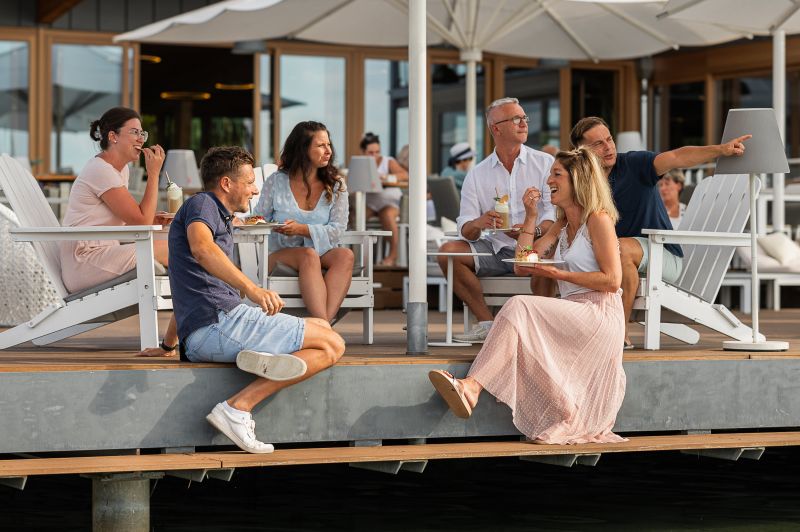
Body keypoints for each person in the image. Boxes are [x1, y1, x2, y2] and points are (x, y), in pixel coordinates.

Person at [429, 147, 626, 444]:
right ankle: (565, 408)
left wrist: (559, 275)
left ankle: (472, 387)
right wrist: (532, 216)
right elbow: (523, 265)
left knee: (519, 306)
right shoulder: (562, 224)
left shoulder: (598, 219)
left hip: (600, 315)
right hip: (573, 310)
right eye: (551, 174)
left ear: (579, 180)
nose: (548, 180)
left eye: (557, 174)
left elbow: (612, 280)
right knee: (522, 335)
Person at [168, 146, 345, 453]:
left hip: (207, 329)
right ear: (226, 183)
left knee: (320, 325)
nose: (254, 188)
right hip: (219, 324)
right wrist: (252, 289)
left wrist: (168, 344)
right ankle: (238, 407)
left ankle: (272, 359)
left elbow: (190, 284)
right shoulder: (203, 204)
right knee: (333, 344)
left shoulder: (216, 215)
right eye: (249, 181)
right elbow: (201, 249)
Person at [570, 116, 749, 349]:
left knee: (619, 249)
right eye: (598, 144)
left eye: (609, 139)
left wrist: (721, 150)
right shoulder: (583, 182)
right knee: (602, 257)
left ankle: (618, 333)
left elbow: (677, 157)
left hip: (663, 255)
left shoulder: (634, 164)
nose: (608, 147)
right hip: (621, 260)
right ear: (581, 151)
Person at [437, 97, 556, 343]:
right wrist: (480, 222)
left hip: (535, 246)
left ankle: (538, 326)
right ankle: (486, 323)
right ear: (496, 128)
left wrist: (530, 231)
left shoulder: (545, 163)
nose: (523, 123)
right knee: (448, 253)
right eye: (516, 119)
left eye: (524, 118)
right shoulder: (478, 174)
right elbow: (465, 227)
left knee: (547, 255)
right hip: (496, 248)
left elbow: (553, 214)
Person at [60, 106, 170, 293]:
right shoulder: (101, 170)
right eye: (134, 132)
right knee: (177, 246)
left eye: (142, 133)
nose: (141, 139)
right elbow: (140, 221)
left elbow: (129, 221)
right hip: (85, 260)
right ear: (113, 137)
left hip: (103, 252)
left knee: (176, 241)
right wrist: (153, 174)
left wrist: (151, 219)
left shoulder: (120, 170)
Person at [253, 121, 353, 322]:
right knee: (308, 255)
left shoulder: (335, 184)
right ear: (303, 149)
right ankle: (324, 327)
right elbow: (259, 218)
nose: (328, 151)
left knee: (345, 255)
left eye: (329, 145)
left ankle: (322, 324)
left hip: (321, 251)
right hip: (279, 254)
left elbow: (337, 230)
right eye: (320, 145)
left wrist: (302, 229)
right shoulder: (276, 181)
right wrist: (244, 222)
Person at [360, 132, 409, 266]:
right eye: (371, 152)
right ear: (363, 152)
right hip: (370, 202)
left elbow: (405, 175)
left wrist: (387, 177)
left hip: (389, 201)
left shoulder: (388, 161)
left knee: (386, 214)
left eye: (377, 151)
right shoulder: (360, 164)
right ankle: (356, 256)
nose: (375, 155)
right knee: (355, 217)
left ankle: (393, 255)